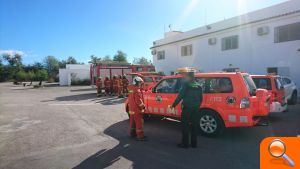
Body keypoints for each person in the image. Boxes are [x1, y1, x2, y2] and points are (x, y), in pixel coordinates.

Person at [170, 71, 203, 148]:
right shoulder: (199, 86)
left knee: (185, 126)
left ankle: (185, 144)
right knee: (194, 126)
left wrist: (173, 105)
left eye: (186, 76)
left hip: (187, 109)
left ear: (189, 77)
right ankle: (194, 144)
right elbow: (201, 99)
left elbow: (180, 96)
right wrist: (197, 106)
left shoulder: (186, 85)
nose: (185, 78)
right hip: (195, 109)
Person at [128, 76, 147, 141]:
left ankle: (132, 133)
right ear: (136, 83)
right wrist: (143, 106)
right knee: (139, 122)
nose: (140, 84)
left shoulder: (131, 88)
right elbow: (138, 101)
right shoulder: (137, 90)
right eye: (139, 83)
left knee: (132, 122)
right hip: (136, 109)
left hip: (131, 109)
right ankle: (140, 136)